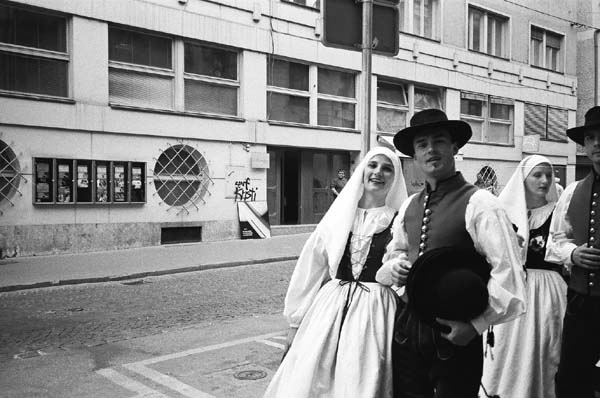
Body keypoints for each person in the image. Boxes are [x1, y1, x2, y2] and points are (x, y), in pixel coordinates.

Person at [377, 108, 526, 398]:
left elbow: (508, 271)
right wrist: (395, 267)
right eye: (422, 145)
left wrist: (474, 325)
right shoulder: (409, 206)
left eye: (439, 141)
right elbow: (393, 254)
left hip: (455, 332)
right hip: (408, 329)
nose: (431, 150)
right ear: (415, 155)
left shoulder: (482, 203)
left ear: (454, 147)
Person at [264, 146, 408, 398]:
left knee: (361, 376)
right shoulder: (339, 216)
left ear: (395, 178)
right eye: (373, 165)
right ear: (362, 170)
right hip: (330, 306)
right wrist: (295, 323)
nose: (378, 172)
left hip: (375, 312)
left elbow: (402, 269)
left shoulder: (398, 222)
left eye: (387, 168)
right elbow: (311, 267)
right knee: (313, 373)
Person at [481, 155, 567, 398]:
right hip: (511, 287)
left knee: (542, 350)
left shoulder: (557, 211)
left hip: (547, 291)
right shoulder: (505, 213)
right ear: (523, 178)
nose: (544, 180)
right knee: (507, 347)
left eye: (548, 175)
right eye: (537, 175)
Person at [546, 105, 600, 398]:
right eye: (591, 138)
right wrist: (573, 253)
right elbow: (556, 240)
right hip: (581, 302)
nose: (597, 143)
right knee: (571, 378)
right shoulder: (573, 191)